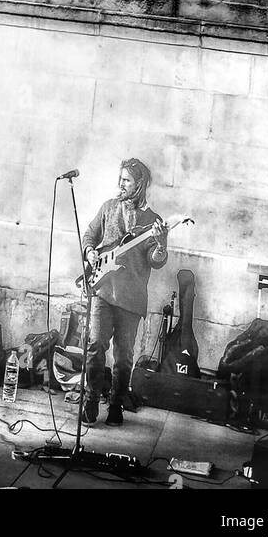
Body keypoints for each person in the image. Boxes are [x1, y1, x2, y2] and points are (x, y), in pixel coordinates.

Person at [81, 158, 167, 426]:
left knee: (124, 357)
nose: (120, 185)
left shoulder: (154, 221)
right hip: (103, 290)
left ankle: (116, 404)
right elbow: (89, 236)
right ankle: (91, 398)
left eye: (126, 180)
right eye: (120, 179)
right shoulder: (108, 207)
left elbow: (156, 260)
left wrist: (161, 243)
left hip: (131, 298)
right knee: (95, 345)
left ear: (139, 184)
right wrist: (90, 252)